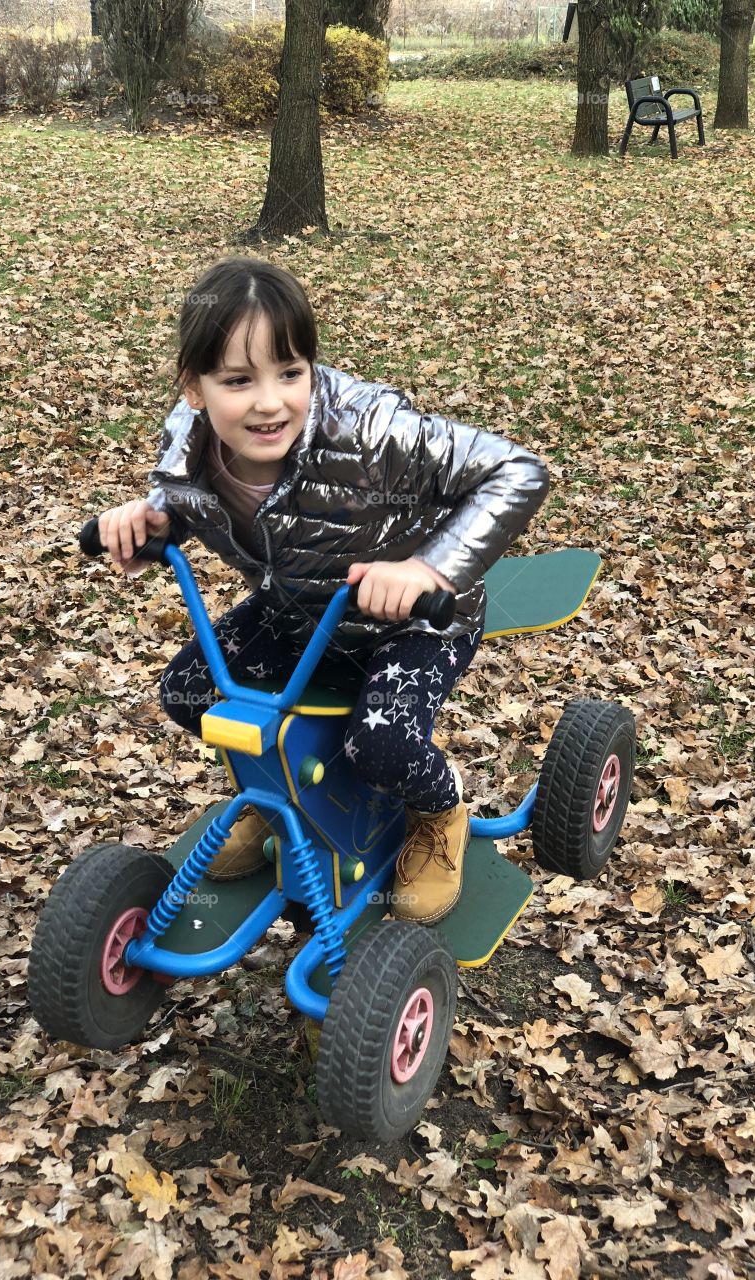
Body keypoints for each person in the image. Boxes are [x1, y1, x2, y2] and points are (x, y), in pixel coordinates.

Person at [98, 256, 549, 925]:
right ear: (194, 389)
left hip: (415, 623)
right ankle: (277, 803)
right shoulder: (190, 440)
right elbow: (187, 504)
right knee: (190, 691)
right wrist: (150, 522)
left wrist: (427, 571)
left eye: (290, 372)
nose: (270, 401)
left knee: (383, 746)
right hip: (302, 616)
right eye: (238, 380)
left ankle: (438, 809)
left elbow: (518, 470)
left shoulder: (370, 431)